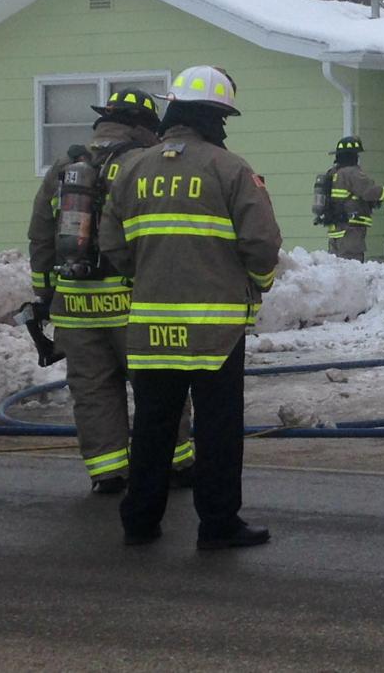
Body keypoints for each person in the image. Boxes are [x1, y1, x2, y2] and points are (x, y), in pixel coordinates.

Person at [100, 65, 282, 549]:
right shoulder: (231, 170)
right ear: (215, 117)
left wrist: (147, 274)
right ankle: (218, 525)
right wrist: (256, 284)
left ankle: (139, 521)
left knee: (154, 428)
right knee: (218, 430)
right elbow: (262, 244)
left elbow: (113, 245)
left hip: (151, 327)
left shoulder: (133, 169)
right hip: (215, 333)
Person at [28, 89, 195, 495]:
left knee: (92, 390)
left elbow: (41, 236)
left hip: (75, 306)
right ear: (143, 127)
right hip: (132, 302)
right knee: (159, 385)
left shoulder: (65, 167)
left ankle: (108, 473)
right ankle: (177, 465)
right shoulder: (144, 164)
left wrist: (47, 295)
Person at [325, 135, 384, 261]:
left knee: (337, 267)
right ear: (353, 156)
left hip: (336, 229)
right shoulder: (351, 173)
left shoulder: (333, 173)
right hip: (350, 229)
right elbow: (369, 191)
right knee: (352, 265)